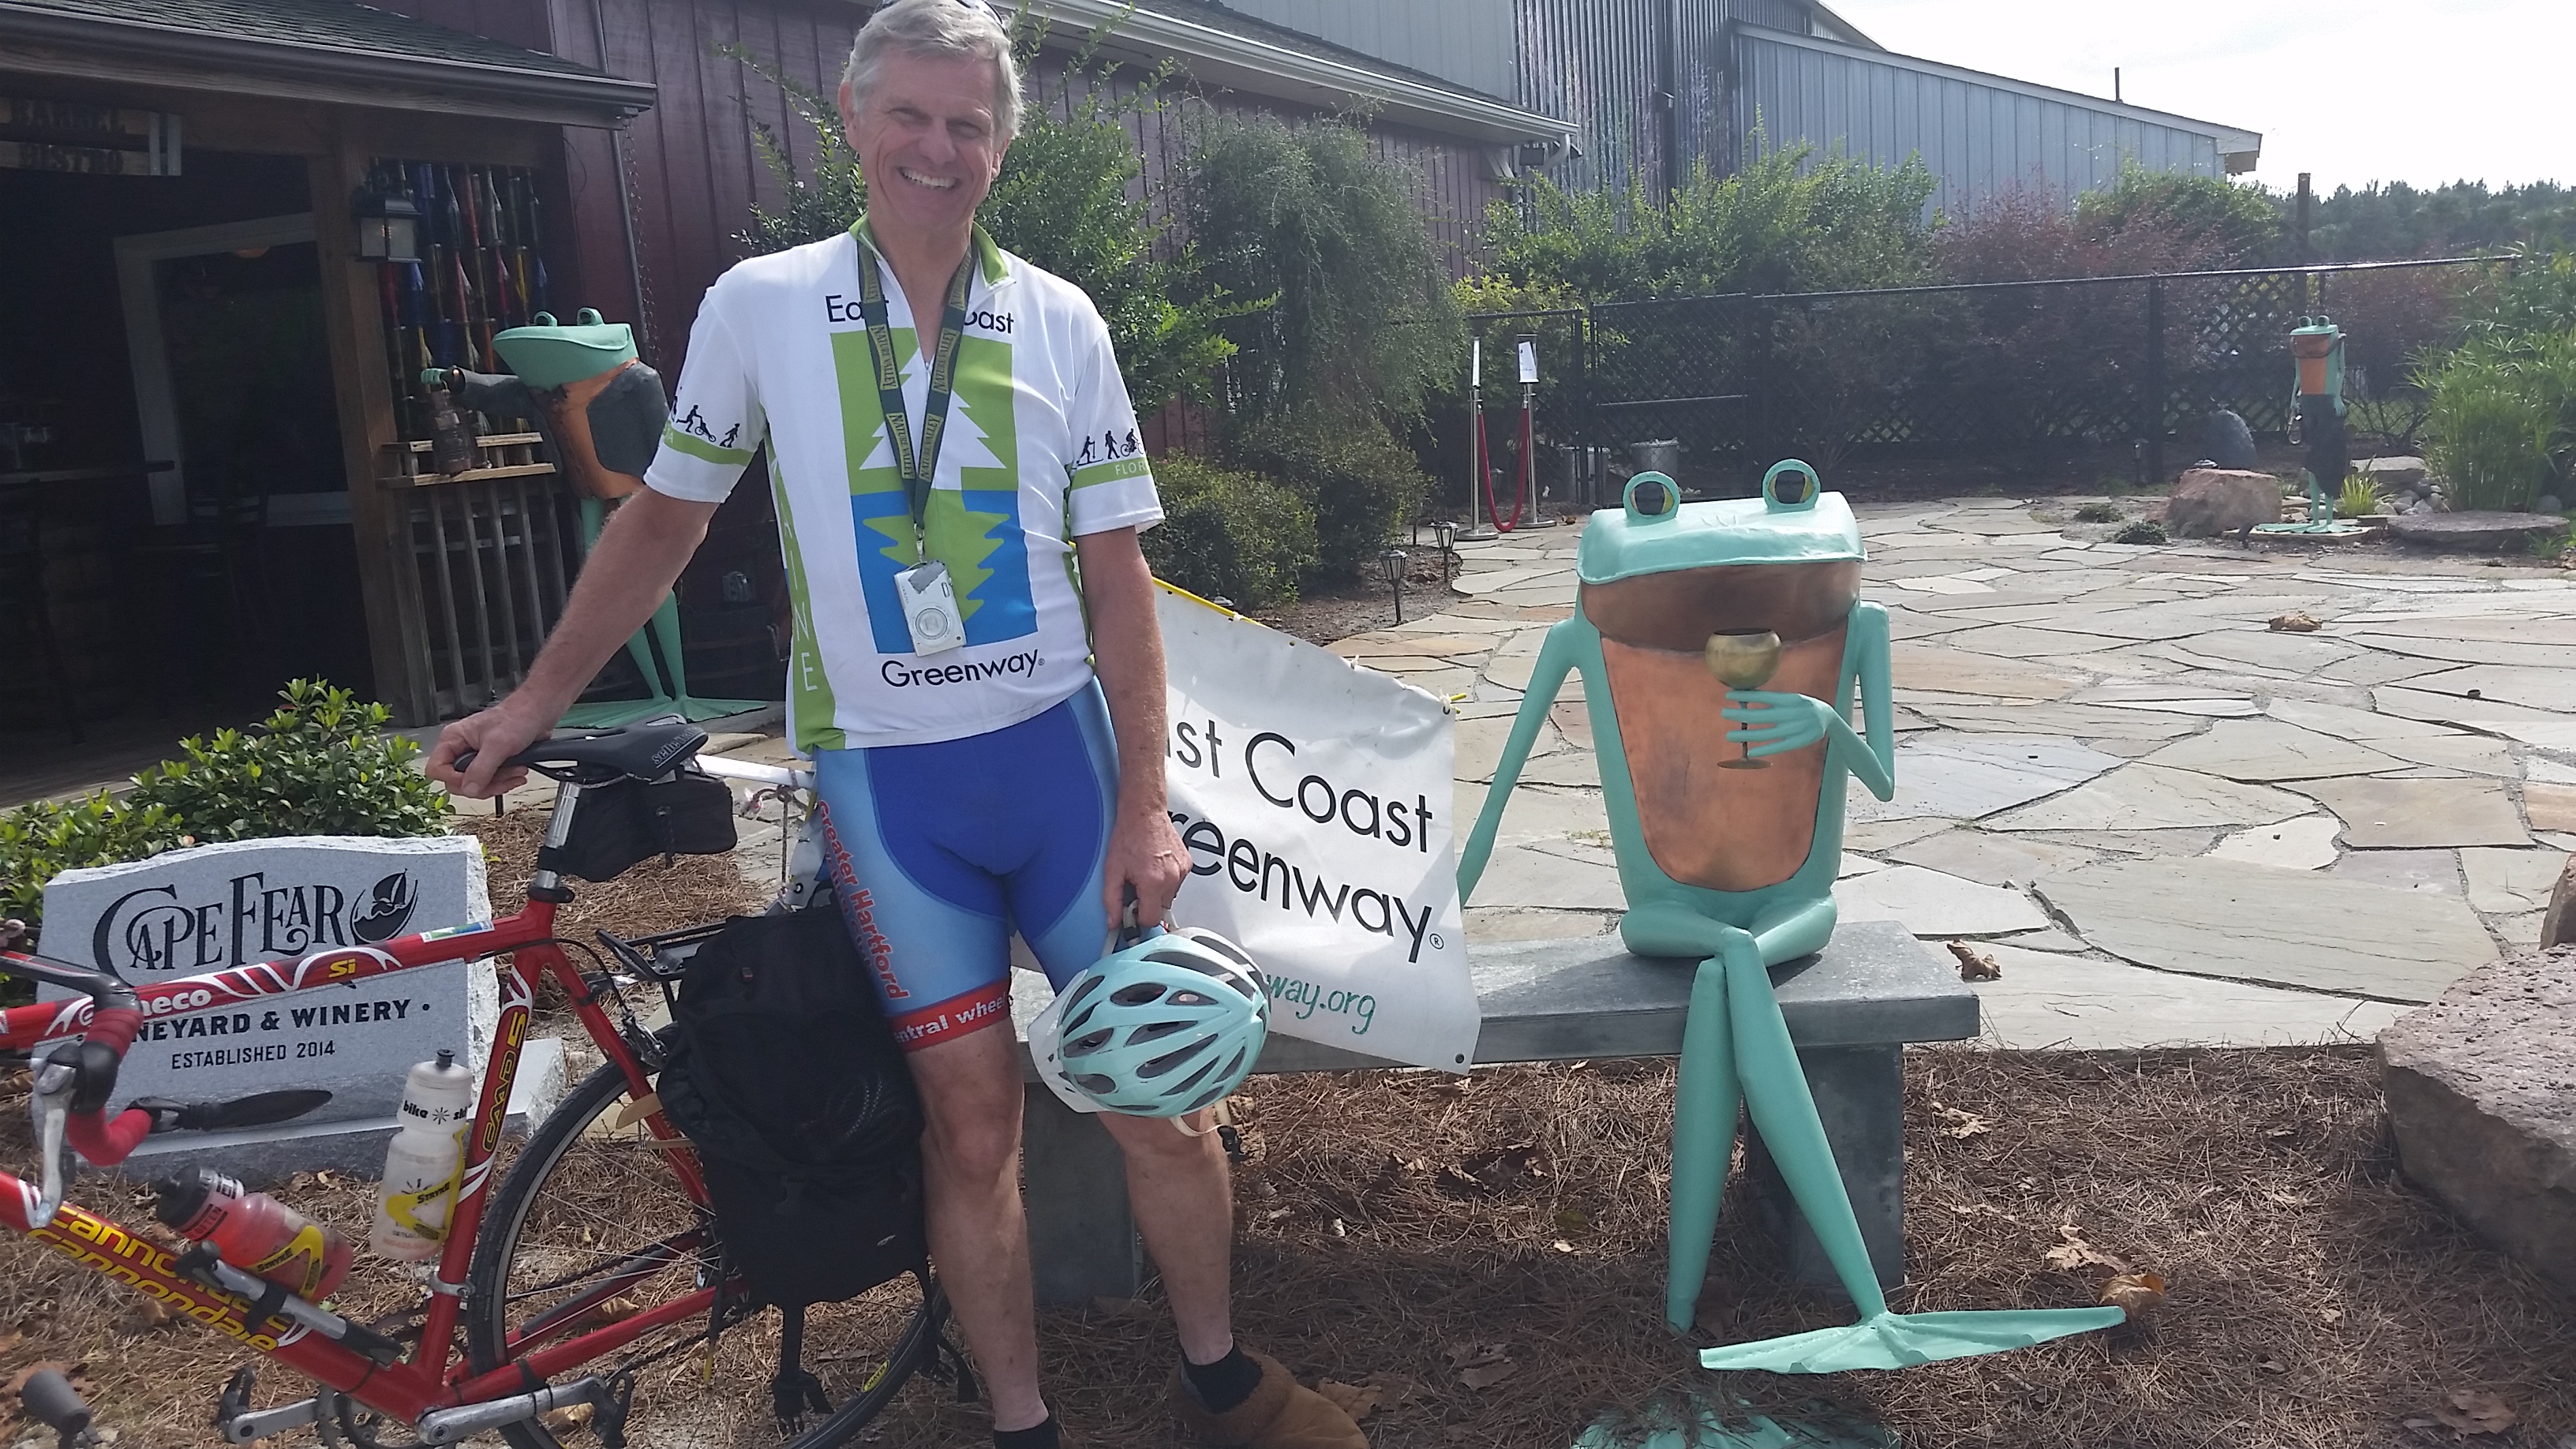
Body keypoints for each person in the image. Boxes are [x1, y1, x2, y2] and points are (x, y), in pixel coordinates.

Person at [425, 3, 1366, 1446]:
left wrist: (1146, 804)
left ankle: (1221, 1377)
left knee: (1158, 1093)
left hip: (1058, 770)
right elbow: (667, 518)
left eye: (968, 125)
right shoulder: (763, 302)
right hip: (886, 789)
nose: (939, 148)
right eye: (911, 117)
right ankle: (1021, 1422)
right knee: (970, 1127)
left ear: (1001, 145)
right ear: (856, 122)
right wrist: (536, 699)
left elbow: (1119, 581)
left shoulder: (1060, 317)